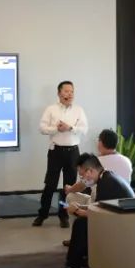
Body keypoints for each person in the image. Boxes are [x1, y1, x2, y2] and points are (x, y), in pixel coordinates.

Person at [49, 154, 135, 268]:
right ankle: (83, 258)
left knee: (81, 224)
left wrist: (76, 210)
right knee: (82, 222)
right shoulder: (107, 177)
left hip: (124, 229)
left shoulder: (107, 183)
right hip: (121, 222)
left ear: (90, 171)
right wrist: (80, 207)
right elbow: (99, 207)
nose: (82, 179)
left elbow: (97, 215)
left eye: (82, 175)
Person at [34, 81, 88, 228]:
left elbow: (84, 129)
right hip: (55, 151)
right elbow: (42, 128)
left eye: (72, 91)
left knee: (68, 187)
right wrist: (56, 129)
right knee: (50, 184)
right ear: (59, 93)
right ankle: (42, 214)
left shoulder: (78, 110)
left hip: (73, 152)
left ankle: (63, 215)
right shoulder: (51, 109)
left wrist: (70, 127)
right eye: (66, 91)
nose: (69, 94)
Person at [64, 128, 132, 197]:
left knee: (70, 196)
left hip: (102, 200)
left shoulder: (97, 162)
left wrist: (70, 189)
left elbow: (83, 184)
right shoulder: (127, 160)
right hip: (125, 200)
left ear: (100, 142)